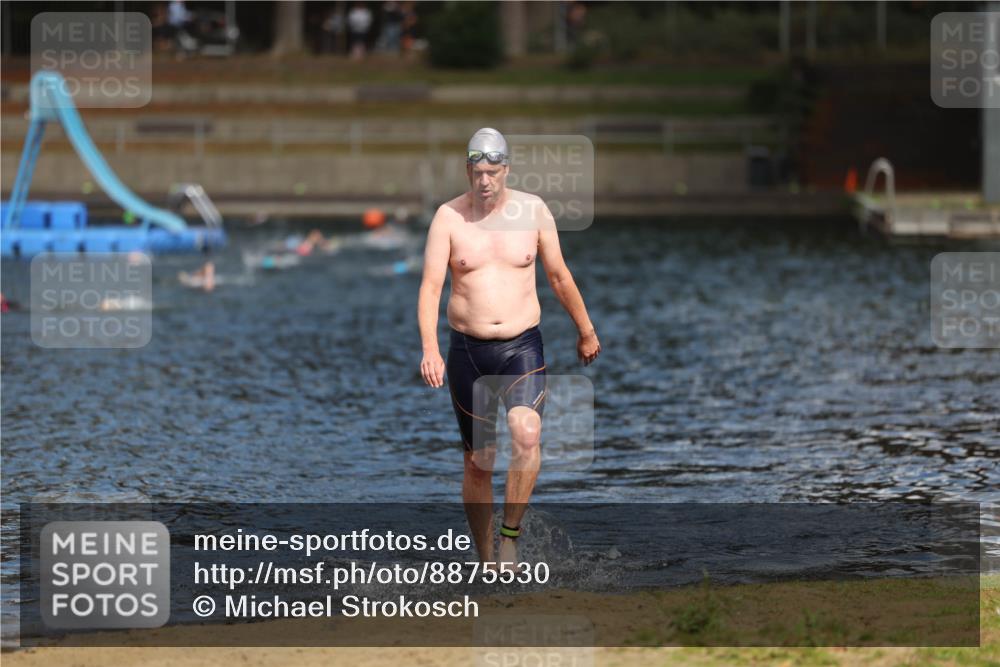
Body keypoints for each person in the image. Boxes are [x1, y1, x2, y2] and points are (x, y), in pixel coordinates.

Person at [417, 128, 601, 569]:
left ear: (506, 170)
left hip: (521, 347)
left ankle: (511, 539)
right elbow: (430, 288)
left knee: (527, 433)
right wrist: (430, 349)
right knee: (479, 462)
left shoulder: (533, 210)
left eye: (492, 172)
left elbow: (558, 275)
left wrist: (586, 329)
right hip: (468, 352)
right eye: (477, 172)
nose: (484, 181)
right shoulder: (448, 218)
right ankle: (486, 560)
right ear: (468, 170)